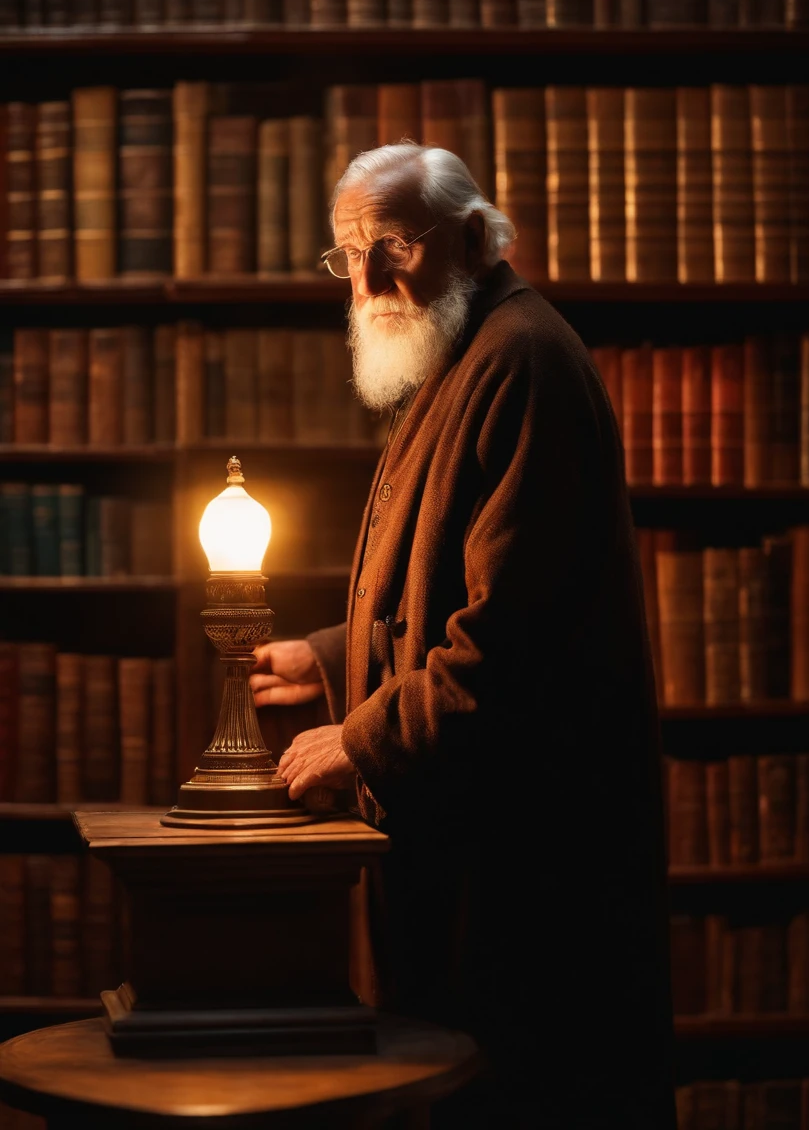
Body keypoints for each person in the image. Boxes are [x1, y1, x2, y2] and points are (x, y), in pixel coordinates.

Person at [250, 143, 677, 1128]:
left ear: (480, 237)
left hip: (530, 892)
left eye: (389, 246)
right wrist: (326, 657)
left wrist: (359, 737)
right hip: (479, 869)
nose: (367, 282)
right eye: (346, 256)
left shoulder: (521, 362)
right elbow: (436, 588)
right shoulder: (462, 356)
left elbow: (505, 645)